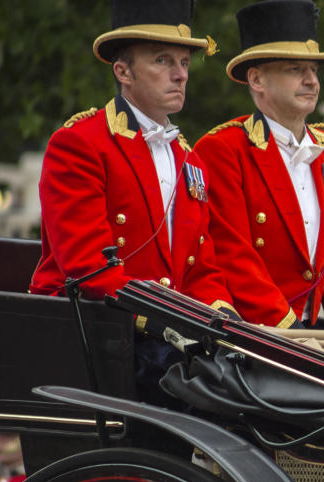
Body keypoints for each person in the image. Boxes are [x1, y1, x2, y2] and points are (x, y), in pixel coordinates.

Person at [30, 0, 237, 322]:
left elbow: (200, 269)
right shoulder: (80, 144)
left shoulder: (190, 158)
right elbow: (91, 269)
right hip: (96, 328)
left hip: (166, 332)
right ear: (123, 71)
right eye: (162, 60)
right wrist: (174, 321)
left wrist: (223, 318)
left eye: (184, 62)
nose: (180, 74)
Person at [194, 0, 324, 330]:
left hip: (316, 338)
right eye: (295, 69)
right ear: (257, 80)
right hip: (255, 337)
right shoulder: (223, 149)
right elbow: (235, 259)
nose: (311, 81)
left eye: (313, 71)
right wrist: (292, 334)